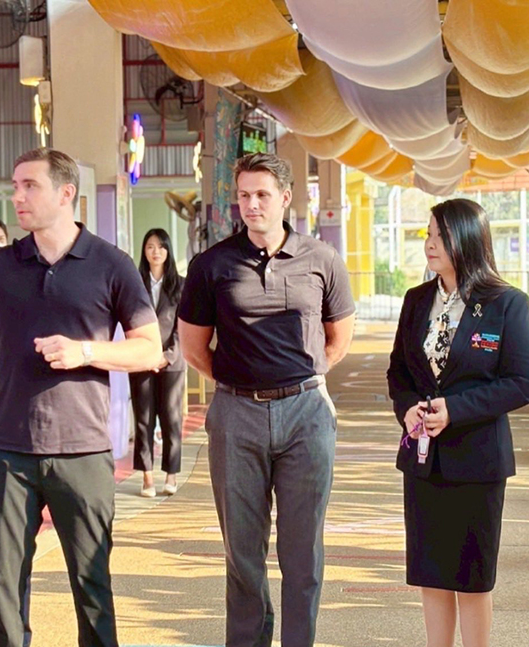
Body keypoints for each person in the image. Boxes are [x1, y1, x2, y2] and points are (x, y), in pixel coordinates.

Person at [0, 147, 162, 646]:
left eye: (30, 186)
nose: (17, 196)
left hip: (83, 451)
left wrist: (84, 351)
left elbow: (150, 350)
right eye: (15, 186)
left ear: (66, 193)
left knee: (92, 586)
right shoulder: (1, 264)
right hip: (8, 449)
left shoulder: (110, 263)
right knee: (4, 588)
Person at [178, 152, 356, 646]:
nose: (252, 205)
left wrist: (302, 381)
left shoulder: (321, 259)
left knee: (303, 553)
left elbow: (338, 339)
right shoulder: (211, 265)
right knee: (242, 553)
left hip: (306, 416)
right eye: (244, 196)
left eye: (261, 195)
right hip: (236, 416)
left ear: (285, 198)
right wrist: (240, 383)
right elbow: (193, 348)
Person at [387, 199, 529, 647]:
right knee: (431, 574)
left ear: (468, 239)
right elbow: (399, 371)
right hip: (424, 462)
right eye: (428, 234)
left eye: (441, 235)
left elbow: (524, 382)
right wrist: (408, 408)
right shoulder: (417, 300)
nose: (430, 243)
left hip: (478, 461)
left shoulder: (506, 303)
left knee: (472, 577)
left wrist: (456, 409)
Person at [130, 228, 185, 497]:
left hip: (171, 362)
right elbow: (128, 320)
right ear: (144, 250)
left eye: (161, 246)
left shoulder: (181, 285)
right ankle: (147, 478)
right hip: (141, 360)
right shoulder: (134, 283)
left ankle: (171, 476)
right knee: (144, 419)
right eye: (150, 246)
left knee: (171, 418)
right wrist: (145, 354)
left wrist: (167, 356)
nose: (156, 251)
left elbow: (183, 326)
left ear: (168, 251)